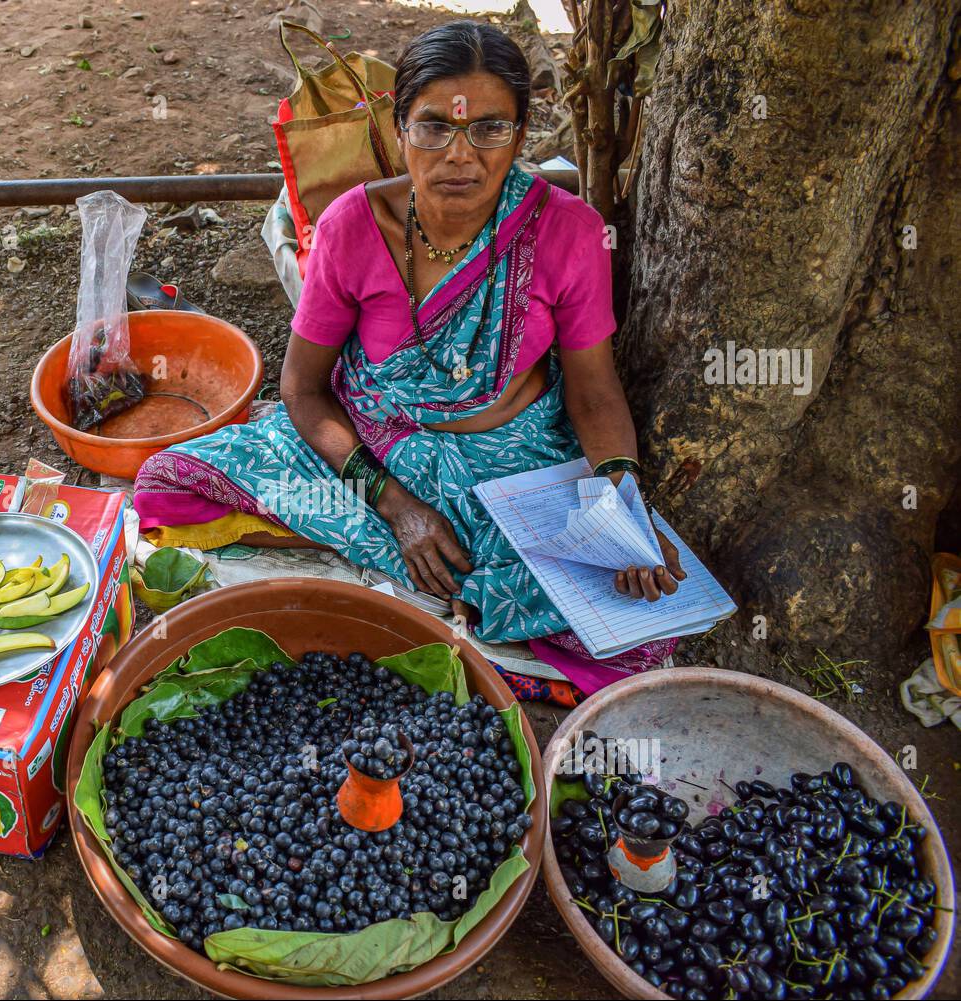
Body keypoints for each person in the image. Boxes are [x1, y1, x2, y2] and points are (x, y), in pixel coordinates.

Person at [134, 19, 683, 661]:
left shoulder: (568, 232)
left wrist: (620, 501)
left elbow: (594, 392)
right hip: (376, 440)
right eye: (434, 127)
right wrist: (399, 509)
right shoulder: (352, 226)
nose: (460, 155)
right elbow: (303, 391)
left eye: (488, 128)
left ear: (520, 136)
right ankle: (401, 549)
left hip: (509, 457)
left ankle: (378, 550)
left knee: (626, 630)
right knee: (167, 488)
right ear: (400, 130)